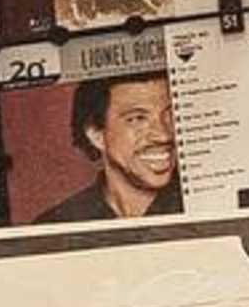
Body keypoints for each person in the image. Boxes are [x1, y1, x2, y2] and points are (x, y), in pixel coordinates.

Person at [39, 67, 180, 219]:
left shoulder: (201, 199)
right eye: (137, 119)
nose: (164, 135)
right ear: (96, 134)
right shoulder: (58, 222)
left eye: (171, 114)